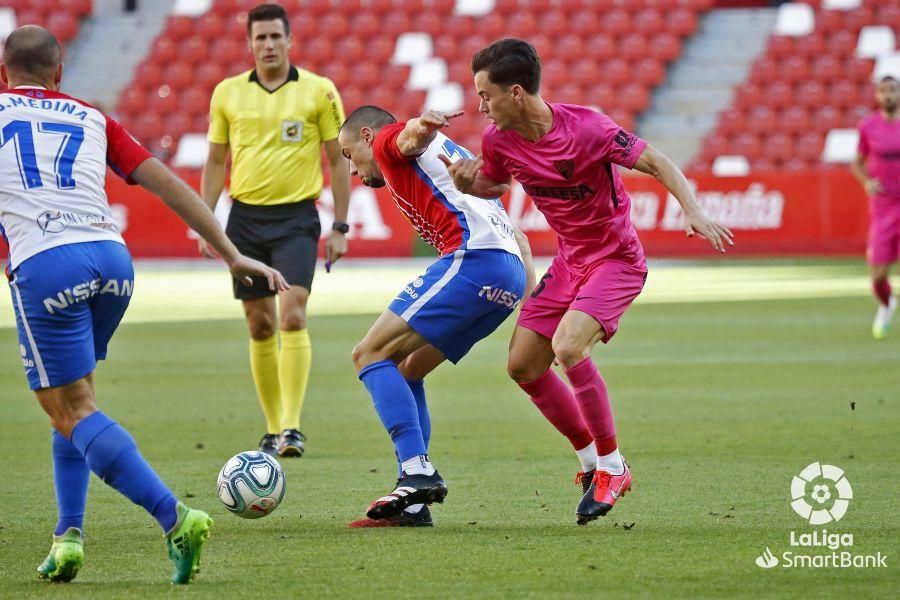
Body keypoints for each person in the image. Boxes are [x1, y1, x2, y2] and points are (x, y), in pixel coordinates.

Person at [0, 26, 288, 583]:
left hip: (45, 263)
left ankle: (174, 517)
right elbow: (166, 184)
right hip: (112, 261)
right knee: (79, 402)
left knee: (69, 410)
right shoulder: (90, 115)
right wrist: (232, 255)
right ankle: (68, 537)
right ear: (60, 74)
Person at [441, 38, 734, 525]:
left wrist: (693, 210)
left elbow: (656, 161)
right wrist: (469, 183)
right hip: (570, 261)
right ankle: (589, 464)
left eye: (485, 96)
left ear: (515, 93)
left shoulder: (589, 129)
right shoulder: (499, 141)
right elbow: (495, 183)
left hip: (616, 259)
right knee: (523, 366)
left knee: (569, 347)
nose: (480, 107)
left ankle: (613, 467)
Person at [337, 106, 533, 527]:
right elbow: (518, 235)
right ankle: (412, 505)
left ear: (367, 136)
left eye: (348, 153)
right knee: (407, 369)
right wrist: (530, 307)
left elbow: (407, 136)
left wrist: (423, 125)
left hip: (474, 261)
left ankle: (416, 470)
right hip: (508, 276)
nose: (351, 169)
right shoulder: (451, 158)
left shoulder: (388, 144)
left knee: (369, 354)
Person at [200, 3, 351, 457]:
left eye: (274, 37)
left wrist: (340, 225)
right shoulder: (227, 94)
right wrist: (206, 223)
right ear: (249, 44)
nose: (267, 44)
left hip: (297, 220)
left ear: (290, 41)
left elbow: (339, 160)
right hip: (244, 220)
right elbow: (214, 162)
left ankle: (292, 426)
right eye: (259, 38)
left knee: (293, 314)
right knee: (260, 324)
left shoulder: (319, 92)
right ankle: (271, 427)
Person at [851, 73, 900, 339]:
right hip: (883, 207)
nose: (888, 95)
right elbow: (857, 163)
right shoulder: (867, 127)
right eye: (883, 91)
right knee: (878, 274)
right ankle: (887, 303)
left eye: (893, 90)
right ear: (877, 95)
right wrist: (867, 183)